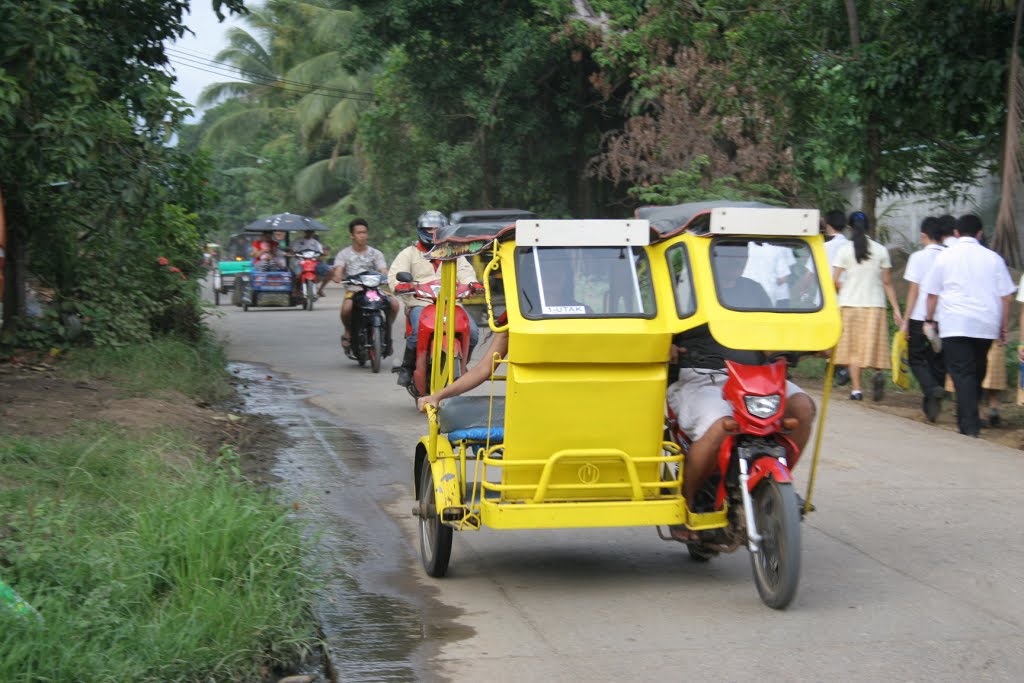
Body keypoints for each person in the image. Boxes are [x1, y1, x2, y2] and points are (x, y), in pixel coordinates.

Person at [666, 241, 816, 541]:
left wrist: (806, 344)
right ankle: (687, 502)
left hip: (754, 377)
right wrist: (665, 345)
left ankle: (776, 483)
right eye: (728, 255)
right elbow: (659, 329)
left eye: (741, 254)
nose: (737, 262)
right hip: (700, 377)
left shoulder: (754, 291)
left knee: (802, 408)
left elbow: (768, 336)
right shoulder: (684, 292)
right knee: (722, 425)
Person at [922, 214, 1015, 437]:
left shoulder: (945, 257)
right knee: (977, 371)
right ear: (980, 234)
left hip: (955, 323)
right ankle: (969, 422)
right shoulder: (993, 258)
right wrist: (1003, 327)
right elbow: (1006, 297)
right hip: (985, 325)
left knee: (962, 374)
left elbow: (932, 294)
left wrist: (929, 319)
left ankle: (969, 426)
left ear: (956, 233)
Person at [389, 210, 479, 387]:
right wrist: (401, 286)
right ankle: (407, 368)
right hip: (421, 303)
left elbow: (465, 272)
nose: (432, 232)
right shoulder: (409, 252)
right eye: (428, 229)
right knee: (416, 333)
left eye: (437, 229)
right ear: (421, 230)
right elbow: (394, 276)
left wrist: (472, 284)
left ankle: (462, 364)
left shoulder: (454, 252)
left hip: (452, 303)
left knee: (474, 333)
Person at [832, 211, 902, 401]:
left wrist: (844, 288)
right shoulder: (880, 250)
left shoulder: (844, 250)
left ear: (849, 228)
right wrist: (896, 309)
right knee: (873, 345)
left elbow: (835, 280)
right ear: (870, 227)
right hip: (874, 305)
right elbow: (887, 282)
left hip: (849, 306)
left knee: (854, 349)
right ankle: (878, 372)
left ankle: (856, 390)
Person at [900, 216, 947, 421]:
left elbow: (914, 291)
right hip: (944, 317)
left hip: (920, 316)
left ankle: (931, 389)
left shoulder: (917, 257)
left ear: (923, 236)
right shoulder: (950, 256)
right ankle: (931, 408)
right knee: (937, 360)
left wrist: (905, 320)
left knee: (917, 358)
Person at [332, 218, 399, 352]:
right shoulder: (343, 254)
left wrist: (387, 277)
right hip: (354, 290)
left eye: (364, 232)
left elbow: (383, 270)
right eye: (359, 233)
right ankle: (348, 331)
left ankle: (386, 329)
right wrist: (338, 276)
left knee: (395, 304)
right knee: (346, 309)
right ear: (352, 235)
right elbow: (338, 269)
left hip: (375, 289)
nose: (362, 235)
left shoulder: (376, 253)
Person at [822, 208, 851, 386]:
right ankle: (843, 367)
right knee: (845, 334)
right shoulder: (851, 246)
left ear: (828, 225)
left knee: (830, 334)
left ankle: (835, 366)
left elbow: (812, 273)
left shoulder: (824, 248)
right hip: (850, 296)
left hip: (829, 297)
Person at [288, 229, 332, 295]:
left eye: (312, 232)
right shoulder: (298, 241)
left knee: (330, 272)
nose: (310, 233)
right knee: (298, 275)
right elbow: (292, 250)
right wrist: (293, 253)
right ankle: (296, 289)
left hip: (314, 263)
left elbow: (321, 252)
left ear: (314, 233)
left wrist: (323, 253)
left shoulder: (316, 242)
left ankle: (320, 289)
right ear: (305, 232)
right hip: (300, 262)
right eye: (308, 231)